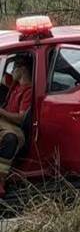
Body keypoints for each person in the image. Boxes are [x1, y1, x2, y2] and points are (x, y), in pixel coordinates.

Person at [0, 56, 33, 198]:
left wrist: (0, 111)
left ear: (23, 69)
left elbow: (21, 119)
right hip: (4, 121)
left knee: (10, 139)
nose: (11, 70)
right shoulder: (15, 85)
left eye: (14, 67)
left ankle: (0, 180)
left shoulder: (28, 91)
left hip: (13, 126)